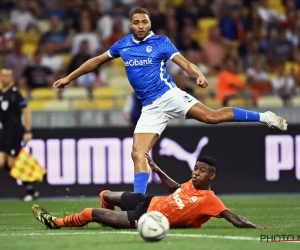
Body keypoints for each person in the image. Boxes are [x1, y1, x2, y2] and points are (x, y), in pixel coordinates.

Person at [53, 7, 287, 195]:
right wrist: (68, 77)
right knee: (138, 153)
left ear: (149, 23)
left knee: (212, 117)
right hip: (150, 108)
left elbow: (185, 63)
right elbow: (95, 61)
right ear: (131, 24)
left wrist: (198, 74)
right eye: (136, 23)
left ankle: (264, 117)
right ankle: (138, 202)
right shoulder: (122, 44)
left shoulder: (162, 42)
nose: (141, 26)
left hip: (169, 96)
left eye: (144, 22)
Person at [32, 153, 267, 230]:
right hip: (147, 201)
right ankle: (108, 222)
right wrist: (156, 169)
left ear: (211, 176)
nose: (196, 173)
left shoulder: (209, 199)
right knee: (105, 194)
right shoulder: (191, 185)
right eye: (196, 168)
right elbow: (175, 188)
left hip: (144, 218)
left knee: (88, 212)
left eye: (202, 171)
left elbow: (232, 217)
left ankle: (56, 222)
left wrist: (254, 227)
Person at [0, 67, 38, 201]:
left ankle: (30, 187)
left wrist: (27, 131)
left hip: (15, 132)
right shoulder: (1, 94)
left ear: (12, 78)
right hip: (4, 132)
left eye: (7, 76)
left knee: (12, 163)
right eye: (2, 75)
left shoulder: (15, 93)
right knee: (4, 162)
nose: (4, 78)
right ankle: (30, 187)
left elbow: (26, 111)